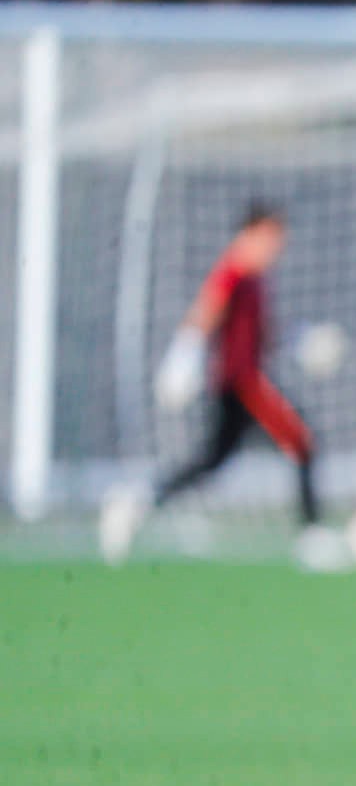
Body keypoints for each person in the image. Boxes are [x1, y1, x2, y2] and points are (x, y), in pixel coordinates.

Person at [100, 202, 324, 565]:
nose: (277, 246)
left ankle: (137, 501)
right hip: (245, 383)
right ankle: (312, 536)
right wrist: (183, 356)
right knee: (301, 441)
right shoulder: (233, 271)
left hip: (240, 383)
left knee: (212, 461)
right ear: (252, 231)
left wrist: (301, 340)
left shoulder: (254, 278)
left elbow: (262, 335)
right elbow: (206, 311)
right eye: (272, 236)